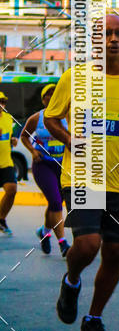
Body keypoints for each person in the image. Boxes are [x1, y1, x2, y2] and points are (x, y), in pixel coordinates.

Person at [45, 14, 119, 331]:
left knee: (114, 253)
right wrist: (70, 141)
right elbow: (51, 117)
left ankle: (93, 319)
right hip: (83, 176)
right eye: (105, 34)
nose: (112, 38)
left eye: (118, 33)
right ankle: (71, 281)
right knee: (88, 244)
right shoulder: (75, 77)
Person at [20, 84, 69, 256]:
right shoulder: (37, 118)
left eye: (55, 93)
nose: (52, 96)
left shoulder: (69, 116)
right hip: (43, 164)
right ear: (43, 99)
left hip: (63, 166)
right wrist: (33, 151)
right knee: (56, 202)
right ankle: (63, 243)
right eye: (48, 94)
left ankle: (44, 231)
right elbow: (24, 136)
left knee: (55, 203)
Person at [0, 91, 17, 236]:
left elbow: (8, 135)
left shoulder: (8, 118)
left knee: (11, 190)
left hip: (6, 162)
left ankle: (1, 219)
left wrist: (12, 140)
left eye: (3, 102)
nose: (1, 104)